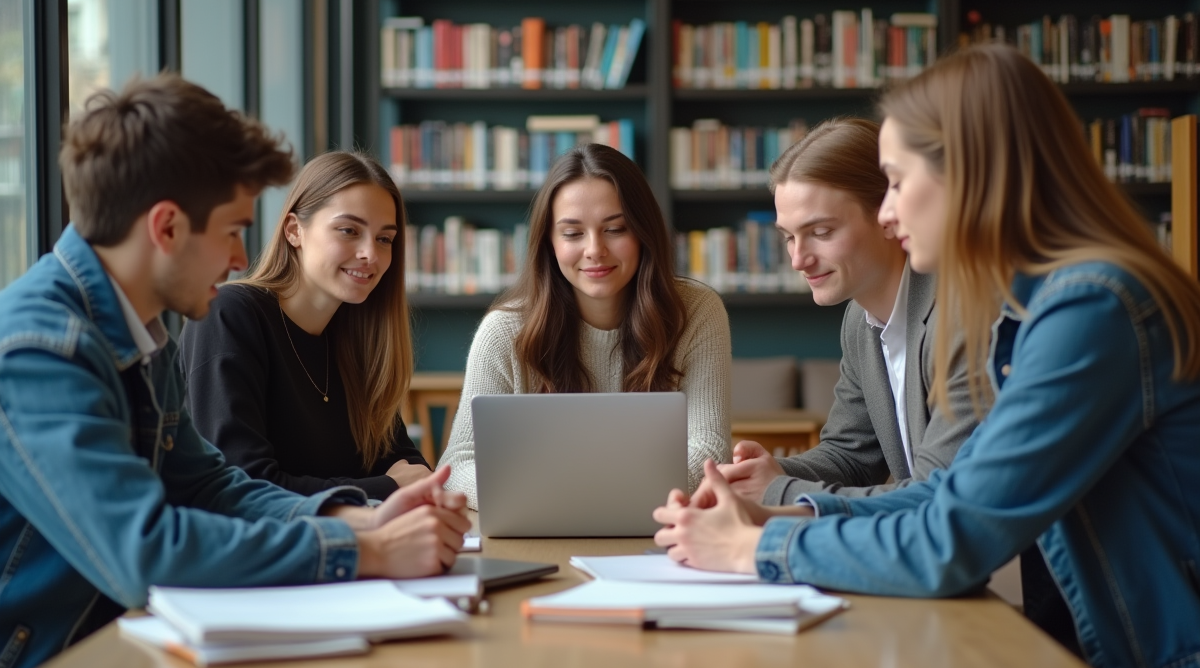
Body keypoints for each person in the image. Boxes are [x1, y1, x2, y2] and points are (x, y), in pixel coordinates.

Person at [653, 44, 1200, 668]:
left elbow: (953, 538)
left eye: (896, 181)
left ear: (971, 174)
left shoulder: (1092, 308)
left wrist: (757, 549)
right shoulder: (1040, 308)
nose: (886, 213)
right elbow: (952, 498)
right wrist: (772, 519)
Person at [0, 74, 469, 668]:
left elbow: (213, 487)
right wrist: (365, 551)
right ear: (166, 227)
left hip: (115, 653)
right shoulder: (40, 350)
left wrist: (361, 518)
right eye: (231, 231)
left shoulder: (141, 335)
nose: (241, 259)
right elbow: (143, 552)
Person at [439, 143, 732, 509]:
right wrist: (560, 498)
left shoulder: (697, 312)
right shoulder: (503, 331)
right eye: (573, 233)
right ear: (549, 242)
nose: (595, 249)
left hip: (655, 531)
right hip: (542, 526)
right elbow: (456, 467)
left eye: (615, 229)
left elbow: (708, 455)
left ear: (644, 232)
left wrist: (574, 493)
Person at [719, 118, 982, 506]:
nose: (798, 259)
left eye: (821, 232)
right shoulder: (861, 320)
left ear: (890, 215)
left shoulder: (963, 315)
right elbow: (850, 456)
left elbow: (938, 496)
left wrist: (778, 491)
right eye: (789, 237)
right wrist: (767, 474)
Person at [179, 151, 429, 500]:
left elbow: (408, 466)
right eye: (348, 231)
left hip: (349, 548)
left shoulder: (359, 340)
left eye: (385, 239)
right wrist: (387, 487)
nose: (370, 254)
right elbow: (243, 487)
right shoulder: (228, 315)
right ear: (295, 230)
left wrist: (398, 484)